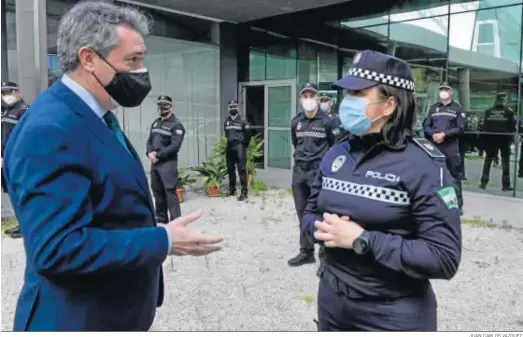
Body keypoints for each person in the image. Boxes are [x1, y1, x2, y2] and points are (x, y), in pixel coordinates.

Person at [3, 1, 222, 331]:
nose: (141, 73)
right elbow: (57, 249)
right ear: (89, 58)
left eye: (142, 60)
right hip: (76, 319)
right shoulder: (51, 128)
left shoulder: (96, 116)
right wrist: (162, 241)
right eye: (132, 61)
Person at [301, 50, 462, 332]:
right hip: (332, 303)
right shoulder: (336, 154)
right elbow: (309, 212)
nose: (347, 102)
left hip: (392, 314)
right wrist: (320, 228)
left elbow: (443, 257)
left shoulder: (424, 165)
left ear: (389, 105)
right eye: (347, 93)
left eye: (358, 93)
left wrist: (361, 239)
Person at [288, 83, 339, 268]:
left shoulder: (328, 121)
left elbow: (336, 146)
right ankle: (306, 251)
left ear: (317, 98)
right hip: (300, 172)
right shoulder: (296, 121)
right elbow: (296, 143)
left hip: (319, 173)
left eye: (312, 95)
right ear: (301, 99)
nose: (308, 99)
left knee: (323, 213)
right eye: (305, 96)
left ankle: (326, 258)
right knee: (303, 213)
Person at [423, 82, 465, 214]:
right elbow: (426, 126)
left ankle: (456, 206)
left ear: (451, 92)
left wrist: (444, 135)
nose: (443, 91)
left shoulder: (457, 108)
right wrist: (433, 135)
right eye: (441, 89)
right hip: (435, 147)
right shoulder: (434, 108)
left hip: (450, 148)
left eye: (446, 89)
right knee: (434, 175)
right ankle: (435, 203)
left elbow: (461, 128)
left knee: (453, 177)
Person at [146, 95, 185, 223]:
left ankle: (176, 224)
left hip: (168, 164)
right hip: (155, 164)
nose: (162, 108)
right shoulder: (155, 123)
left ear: (171, 107)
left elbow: (175, 147)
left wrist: (158, 155)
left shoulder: (177, 125)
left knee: (170, 195)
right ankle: (162, 222)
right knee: (158, 194)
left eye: (165, 105)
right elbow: (150, 141)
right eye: (160, 105)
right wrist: (149, 153)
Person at [1, 81, 29, 239]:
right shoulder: (6, 111)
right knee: (11, 191)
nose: (6, 96)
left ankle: (26, 225)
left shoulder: (23, 111)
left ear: (17, 92)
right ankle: (20, 223)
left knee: (20, 191)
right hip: (5, 159)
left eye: (9, 92)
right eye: (3, 93)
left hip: (17, 159)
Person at [479, 93, 516, 191]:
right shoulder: (509, 112)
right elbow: (512, 126)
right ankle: (505, 185)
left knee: (488, 160)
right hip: (504, 138)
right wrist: (511, 139)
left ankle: (483, 182)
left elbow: (485, 126)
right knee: (505, 162)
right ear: (504, 100)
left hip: (491, 138)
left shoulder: (488, 111)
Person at [224, 100, 251, 201]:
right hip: (229, 147)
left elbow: (248, 135)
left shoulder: (243, 121)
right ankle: (232, 190)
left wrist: (245, 145)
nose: (233, 108)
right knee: (230, 169)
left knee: (242, 170)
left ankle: (244, 192)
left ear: (238, 108)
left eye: (234, 106)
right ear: (228, 109)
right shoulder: (226, 121)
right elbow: (226, 133)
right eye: (231, 107)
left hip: (240, 147)